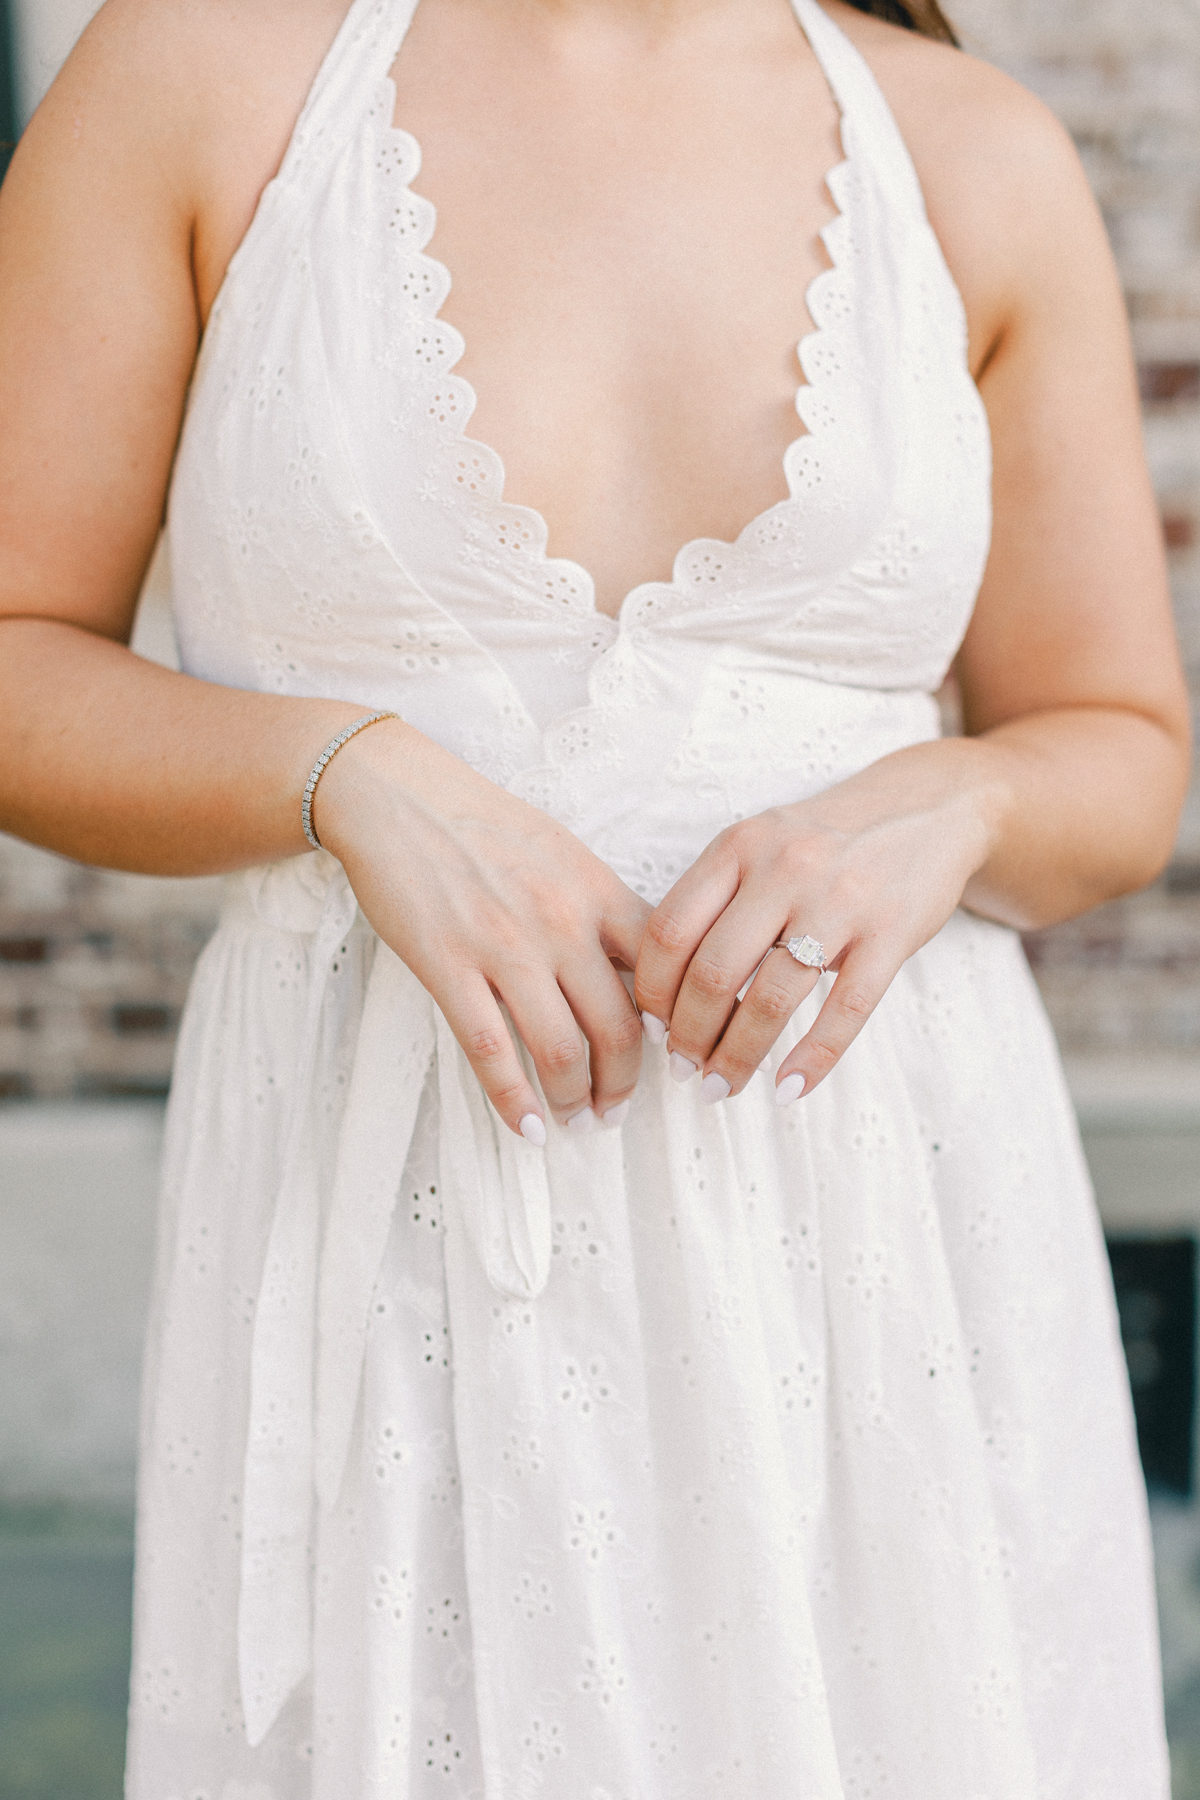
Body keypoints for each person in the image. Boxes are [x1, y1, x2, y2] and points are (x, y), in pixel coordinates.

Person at [0, 0, 1190, 1790]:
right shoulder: (195, 72)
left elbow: (1120, 750)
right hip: (394, 1227)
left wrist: (955, 794)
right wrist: (344, 775)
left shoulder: (968, 148)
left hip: (883, 1271)